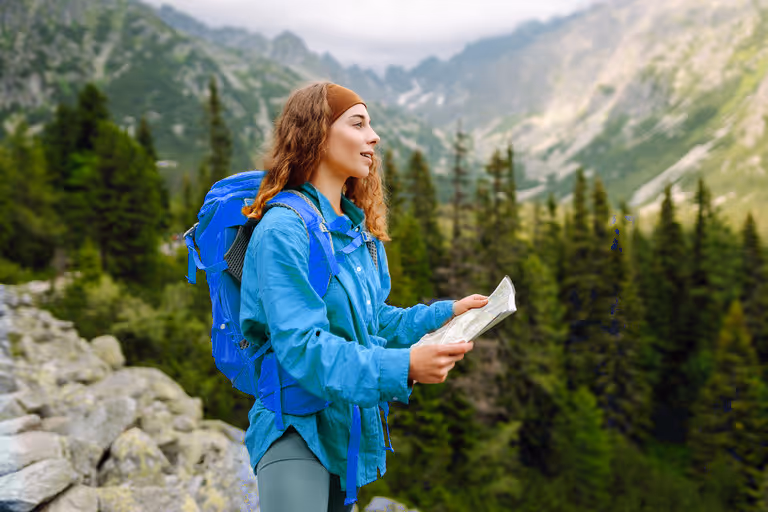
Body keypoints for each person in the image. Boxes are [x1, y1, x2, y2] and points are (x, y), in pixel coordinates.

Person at [239, 81, 489, 512]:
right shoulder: (283, 231)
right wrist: (404, 366)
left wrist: (445, 316)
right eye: (358, 123)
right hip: (295, 432)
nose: (373, 137)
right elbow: (303, 348)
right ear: (316, 135)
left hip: (343, 430)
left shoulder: (358, 234)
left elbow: (374, 322)